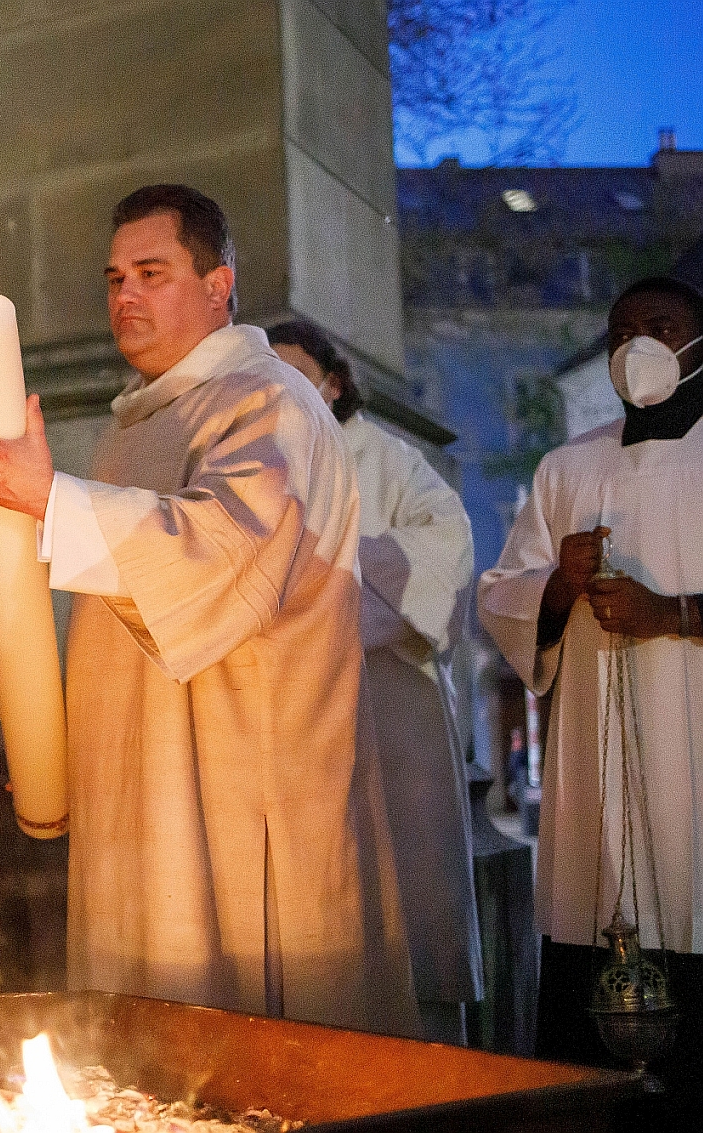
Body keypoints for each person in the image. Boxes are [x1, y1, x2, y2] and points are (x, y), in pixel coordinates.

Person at [0, 184, 416, 1034]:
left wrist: (51, 496)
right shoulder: (136, 423)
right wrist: (66, 744)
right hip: (143, 795)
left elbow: (224, 556)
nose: (124, 296)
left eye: (151, 273)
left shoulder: (268, 402)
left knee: (247, 1062)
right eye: (115, 278)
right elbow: (122, 622)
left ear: (218, 284)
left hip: (239, 793)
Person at [479, 275, 703, 994]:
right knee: (595, 941)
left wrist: (670, 616)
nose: (636, 348)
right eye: (618, 335)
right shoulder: (566, 467)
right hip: (592, 765)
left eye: (660, 328)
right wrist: (555, 584)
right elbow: (500, 597)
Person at [270, 319, 483, 1044]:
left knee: (404, 901)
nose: (285, 393)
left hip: (391, 715)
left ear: (333, 383)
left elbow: (446, 549)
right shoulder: (253, 460)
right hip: (289, 723)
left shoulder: (388, 460)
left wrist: (332, 578)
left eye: (300, 376)